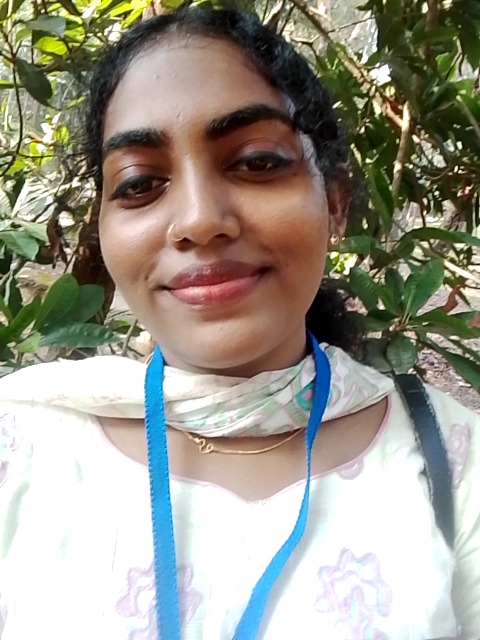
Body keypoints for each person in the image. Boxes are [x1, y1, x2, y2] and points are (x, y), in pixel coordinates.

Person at [0, 8, 479, 639]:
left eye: (256, 162)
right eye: (140, 183)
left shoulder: (455, 465)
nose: (199, 220)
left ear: (334, 203)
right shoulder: (22, 446)